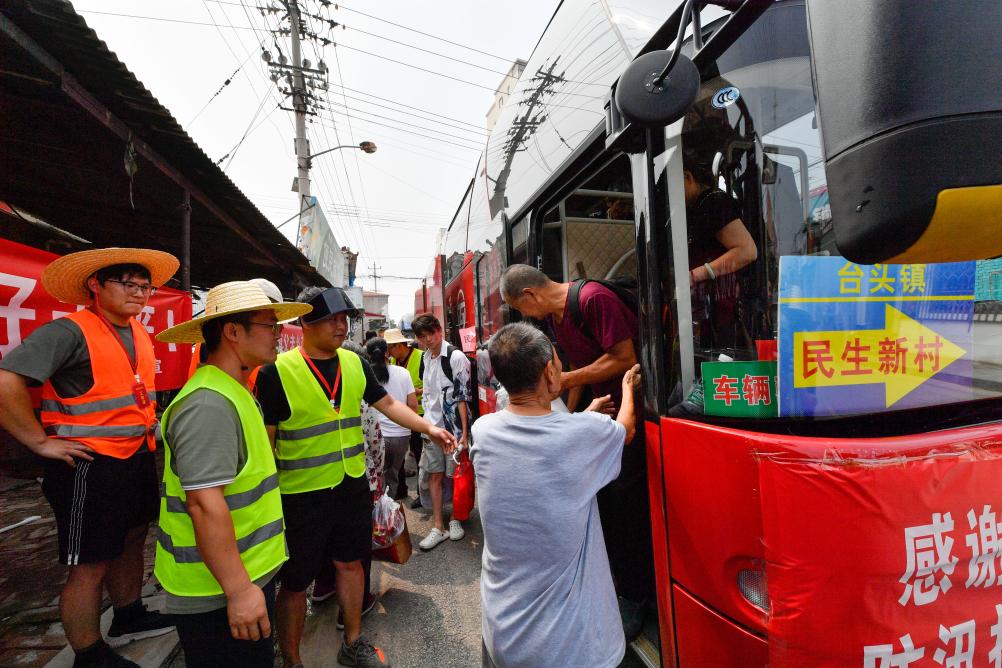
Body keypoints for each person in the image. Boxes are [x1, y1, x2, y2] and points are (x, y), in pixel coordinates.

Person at [254, 287, 456, 668]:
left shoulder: (354, 363)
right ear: (304, 322)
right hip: (300, 495)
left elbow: (390, 404)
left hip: (351, 487)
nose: (340, 325)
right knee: (296, 582)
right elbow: (267, 444)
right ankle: (293, 661)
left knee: (352, 563)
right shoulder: (275, 373)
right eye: (330, 318)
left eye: (344, 318)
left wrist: (428, 429)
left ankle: (353, 641)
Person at [0, 248, 179, 667]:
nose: (138, 293)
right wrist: (39, 442)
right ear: (95, 286)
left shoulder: (138, 333)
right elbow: (7, 380)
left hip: (134, 457)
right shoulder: (69, 331)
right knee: (88, 563)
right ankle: (88, 652)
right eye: (126, 283)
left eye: (144, 286)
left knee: (133, 538)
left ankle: (128, 614)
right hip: (87, 465)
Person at [154, 281, 311, 667]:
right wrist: (240, 590)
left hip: (239, 578)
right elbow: (205, 506)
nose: (279, 336)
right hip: (217, 592)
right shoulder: (208, 403)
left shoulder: (234, 389)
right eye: (269, 326)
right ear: (233, 331)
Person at [472, 322, 641, 668]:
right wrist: (627, 389)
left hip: (503, 635)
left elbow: (544, 444)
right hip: (572, 648)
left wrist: (583, 419)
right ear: (550, 371)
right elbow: (625, 429)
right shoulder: (581, 434)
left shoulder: (483, 431)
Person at [499, 263, 653, 639]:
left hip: (633, 420)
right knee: (604, 509)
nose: (525, 317)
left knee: (626, 509)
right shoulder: (556, 319)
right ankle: (619, 585)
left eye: (520, 309)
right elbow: (572, 370)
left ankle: (636, 596)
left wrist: (565, 380)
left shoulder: (592, 299)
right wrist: (565, 417)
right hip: (600, 422)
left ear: (529, 296)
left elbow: (623, 358)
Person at [682, 151, 757, 351]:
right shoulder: (694, 208)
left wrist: (694, 275)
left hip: (724, 304)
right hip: (708, 307)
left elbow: (747, 251)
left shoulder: (714, 202)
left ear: (688, 177)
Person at [410, 313, 471, 550]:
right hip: (431, 429)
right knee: (434, 475)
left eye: (431, 334)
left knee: (454, 476)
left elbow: (463, 397)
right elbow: (429, 393)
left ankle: (455, 518)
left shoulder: (455, 357)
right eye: (422, 337)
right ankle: (438, 525)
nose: (428, 340)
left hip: (453, 430)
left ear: (440, 330)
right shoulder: (426, 358)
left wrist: (464, 434)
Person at [186, 277, 284, 383]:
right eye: (272, 326)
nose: (278, 335)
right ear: (233, 332)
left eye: (279, 327)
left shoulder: (230, 385)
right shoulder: (208, 397)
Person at [366, 336, 418, 499]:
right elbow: (413, 405)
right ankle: (391, 512)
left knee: (376, 477)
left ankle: (379, 514)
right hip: (401, 436)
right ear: (387, 352)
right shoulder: (403, 373)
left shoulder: (366, 374)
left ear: (368, 354)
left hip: (376, 436)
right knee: (393, 475)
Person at [384, 328, 424, 500]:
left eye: (391, 347)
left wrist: (417, 391)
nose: (389, 352)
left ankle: (423, 495)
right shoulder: (393, 361)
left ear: (400, 345)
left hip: (419, 415)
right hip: (398, 417)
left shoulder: (421, 357)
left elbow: (432, 384)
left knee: (421, 455)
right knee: (397, 461)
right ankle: (401, 491)